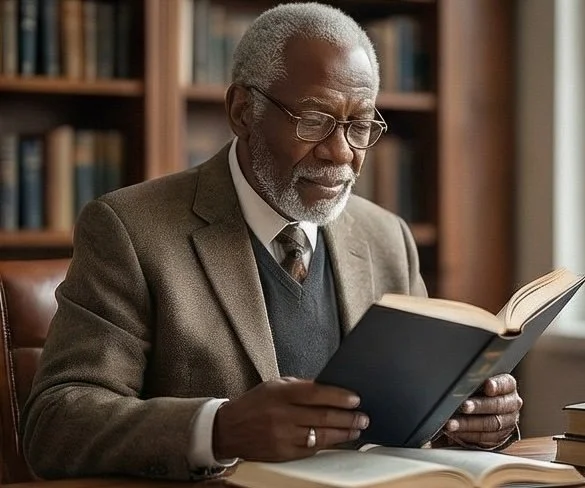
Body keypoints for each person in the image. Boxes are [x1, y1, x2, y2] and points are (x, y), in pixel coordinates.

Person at [21, 2, 522, 481]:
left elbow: (415, 417)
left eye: (359, 124)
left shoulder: (386, 236)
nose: (340, 153)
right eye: (314, 120)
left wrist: (475, 422)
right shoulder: (130, 229)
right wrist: (219, 428)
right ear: (242, 110)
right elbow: (56, 424)